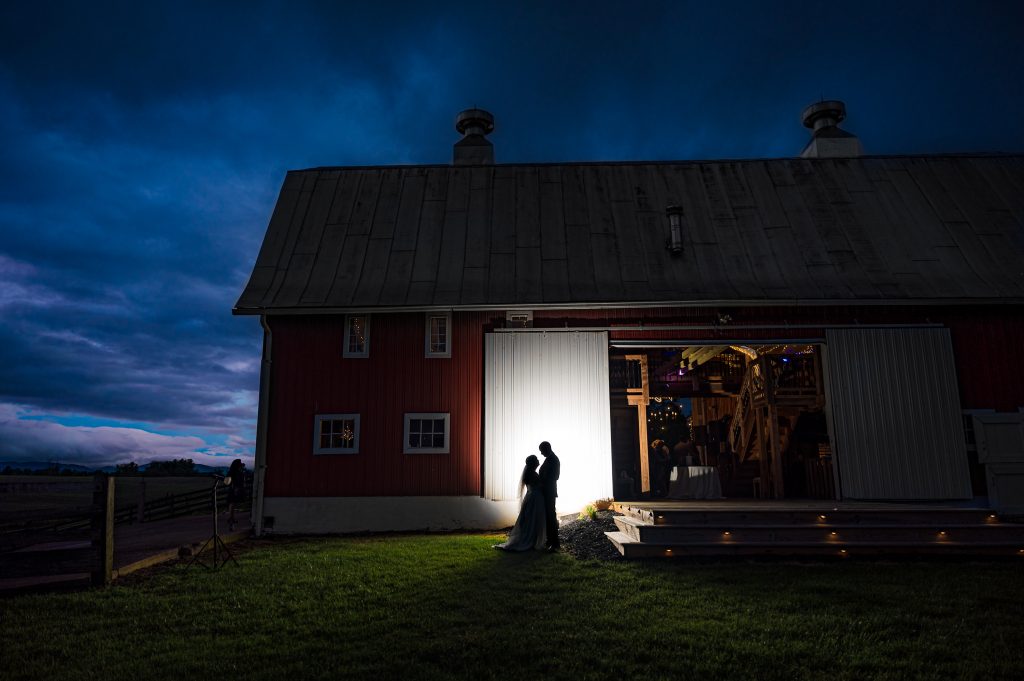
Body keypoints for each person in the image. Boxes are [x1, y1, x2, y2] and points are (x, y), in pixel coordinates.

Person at [494, 455, 547, 551]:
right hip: (535, 498)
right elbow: (540, 486)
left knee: (530, 519)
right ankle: (531, 540)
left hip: (531, 497)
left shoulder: (529, 473)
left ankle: (532, 539)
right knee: (533, 519)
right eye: (536, 460)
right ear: (533, 463)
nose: (538, 460)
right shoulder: (533, 474)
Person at [537, 441, 561, 551]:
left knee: (551, 516)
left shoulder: (554, 459)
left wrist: (542, 482)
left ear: (547, 448)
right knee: (548, 516)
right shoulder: (549, 459)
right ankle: (550, 540)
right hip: (546, 491)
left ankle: (555, 543)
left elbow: (555, 476)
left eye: (542, 451)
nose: (541, 453)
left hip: (549, 492)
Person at [225, 458, 247, 531]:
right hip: (235, 489)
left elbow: (226, 482)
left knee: (232, 504)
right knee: (232, 504)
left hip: (234, 489)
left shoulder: (232, 472)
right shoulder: (238, 472)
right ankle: (231, 521)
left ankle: (232, 520)